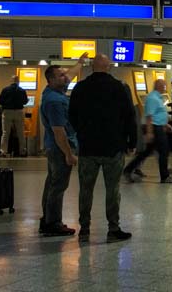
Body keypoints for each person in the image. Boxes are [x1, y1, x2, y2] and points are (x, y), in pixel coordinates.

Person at [68, 54, 137, 242]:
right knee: (112, 189)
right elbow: (130, 116)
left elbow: (71, 115)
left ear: (92, 67)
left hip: (88, 148)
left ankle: (84, 229)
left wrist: (82, 133)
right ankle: (113, 228)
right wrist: (132, 142)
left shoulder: (80, 88)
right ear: (108, 67)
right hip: (113, 147)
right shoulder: (120, 88)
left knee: (85, 189)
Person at [39, 54, 88, 236]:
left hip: (53, 147)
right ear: (51, 79)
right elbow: (59, 131)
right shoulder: (55, 101)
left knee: (51, 183)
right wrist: (68, 154)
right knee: (58, 186)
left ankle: (47, 220)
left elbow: (72, 74)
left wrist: (80, 62)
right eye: (61, 75)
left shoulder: (52, 91)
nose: (65, 77)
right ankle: (53, 224)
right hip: (60, 148)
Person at [124, 79, 172, 184]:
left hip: (157, 126)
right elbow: (149, 116)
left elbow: (157, 114)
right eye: (163, 85)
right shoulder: (153, 98)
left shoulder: (158, 98)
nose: (165, 87)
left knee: (147, 152)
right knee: (164, 150)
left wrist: (166, 125)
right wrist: (149, 132)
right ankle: (165, 176)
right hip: (154, 127)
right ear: (158, 86)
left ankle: (128, 170)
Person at [0, 75, 28, 157]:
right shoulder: (22, 90)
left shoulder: (5, 90)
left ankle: (3, 152)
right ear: (18, 81)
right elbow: (25, 101)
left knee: (5, 133)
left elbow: (0, 101)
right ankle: (22, 151)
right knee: (21, 133)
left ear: (11, 81)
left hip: (7, 111)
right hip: (19, 111)